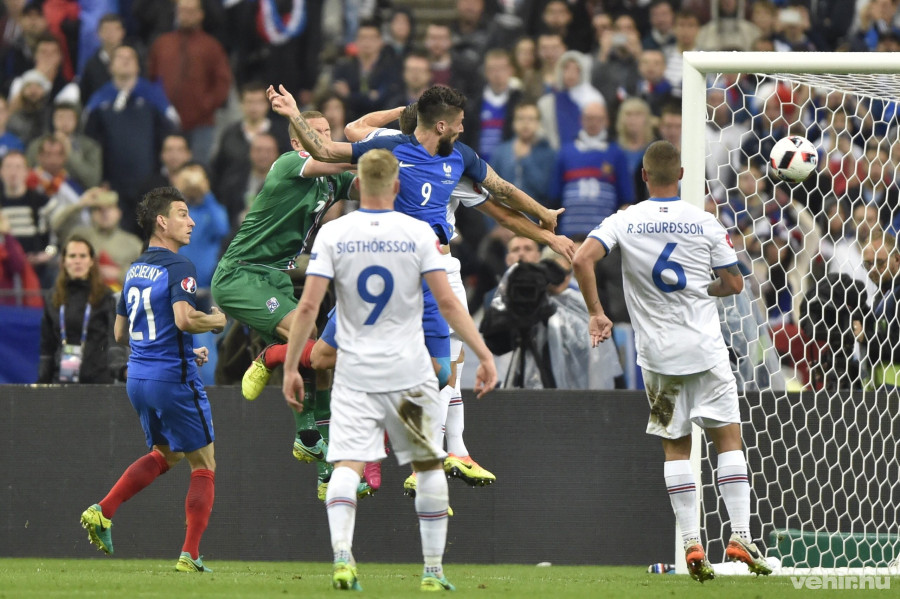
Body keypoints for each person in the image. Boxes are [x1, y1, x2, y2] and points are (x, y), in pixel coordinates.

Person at [271, 87, 571, 493]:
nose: (464, 129)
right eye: (459, 123)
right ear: (440, 124)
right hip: (386, 267)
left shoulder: (460, 158)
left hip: (433, 267)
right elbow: (331, 146)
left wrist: (543, 216)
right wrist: (293, 113)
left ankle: (435, 450)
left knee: (445, 369)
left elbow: (501, 191)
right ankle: (282, 360)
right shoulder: (389, 148)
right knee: (327, 357)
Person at [281, 149, 498, 592]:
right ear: (397, 187)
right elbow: (448, 303)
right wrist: (483, 354)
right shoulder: (418, 233)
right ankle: (433, 570)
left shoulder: (334, 233)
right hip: (408, 374)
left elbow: (307, 307)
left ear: (358, 185)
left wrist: (290, 367)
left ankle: (342, 559)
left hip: (356, 376)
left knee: (347, 465)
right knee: (429, 466)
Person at [571, 141, 771, 581]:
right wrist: (705, 289)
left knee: (675, 446)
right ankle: (740, 534)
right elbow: (734, 283)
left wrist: (596, 312)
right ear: (681, 174)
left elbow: (582, 258)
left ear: (644, 176)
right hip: (707, 353)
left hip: (658, 361)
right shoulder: (704, 222)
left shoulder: (624, 220)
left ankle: (691, 542)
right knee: (728, 440)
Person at [210, 109, 367, 500]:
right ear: (298, 142)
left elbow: (374, 186)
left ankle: (323, 465)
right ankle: (270, 358)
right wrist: (382, 149)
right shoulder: (288, 164)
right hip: (241, 273)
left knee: (320, 360)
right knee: (307, 334)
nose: (325, 138)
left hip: (277, 277)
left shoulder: (333, 180)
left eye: (328, 131)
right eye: (315, 134)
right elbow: (343, 159)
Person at [79, 186, 226, 572]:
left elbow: (120, 332)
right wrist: (215, 320)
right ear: (162, 222)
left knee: (168, 454)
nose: (191, 222)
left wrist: (182, 350)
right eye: (182, 214)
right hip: (172, 380)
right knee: (204, 463)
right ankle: (190, 554)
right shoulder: (179, 266)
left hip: (139, 378)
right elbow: (184, 319)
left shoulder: (134, 268)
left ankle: (103, 510)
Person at [38, 235, 124, 383]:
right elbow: (47, 347)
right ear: (64, 261)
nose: (77, 261)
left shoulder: (106, 296)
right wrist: (42, 383)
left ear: (91, 261)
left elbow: (115, 341)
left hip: (99, 381)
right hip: (63, 380)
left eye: (83, 256)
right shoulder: (53, 297)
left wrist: (120, 371)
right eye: (72, 256)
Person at [854, 227, 900, 389]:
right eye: (868, 264)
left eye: (880, 263)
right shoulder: (884, 294)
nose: (873, 269)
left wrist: (865, 337)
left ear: (897, 259)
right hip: (881, 394)